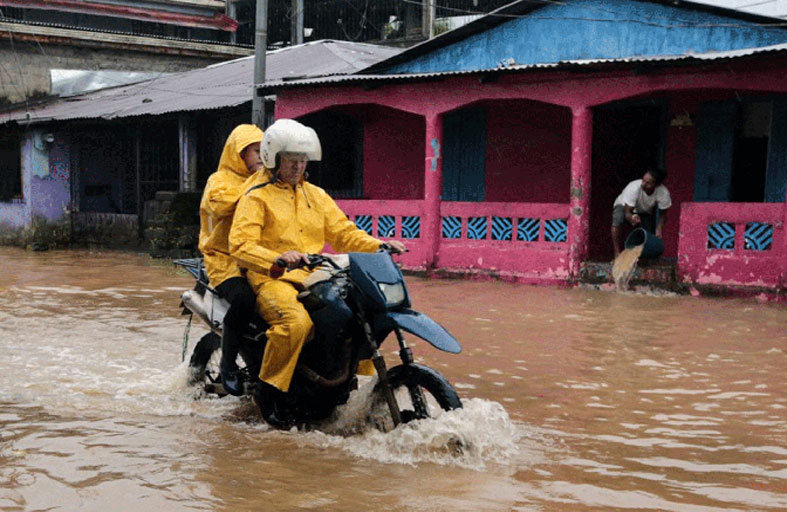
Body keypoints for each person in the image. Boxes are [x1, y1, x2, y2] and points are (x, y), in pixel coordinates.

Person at [229, 119, 405, 428]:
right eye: (290, 160)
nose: (297, 166)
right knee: (295, 324)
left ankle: (339, 379)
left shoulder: (316, 195)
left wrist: (378, 245)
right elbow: (240, 245)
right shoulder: (256, 196)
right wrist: (277, 258)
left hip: (317, 274)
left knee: (360, 309)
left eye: (302, 160)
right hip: (273, 278)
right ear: (273, 159)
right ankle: (269, 392)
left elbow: (344, 234)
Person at [198, 124, 263, 396]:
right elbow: (224, 206)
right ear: (238, 154)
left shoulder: (270, 182)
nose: (261, 157)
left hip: (259, 257)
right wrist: (259, 182)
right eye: (255, 151)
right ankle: (228, 364)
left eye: (265, 151)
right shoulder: (220, 181)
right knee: (245, 299)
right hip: (224, 260)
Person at [611, 167, 671, 257]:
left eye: (648, 183)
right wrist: (632, 217)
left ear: (657, 185)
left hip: (643, 209)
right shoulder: (633, 187)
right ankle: (617, 252)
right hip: (624, 205)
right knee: (617, 220)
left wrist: (659, 228)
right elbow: (627, 212)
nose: (643, 184)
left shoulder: (663, 193)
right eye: (643, 180)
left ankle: (645, 257)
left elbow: (663, 213)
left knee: (649, 233)